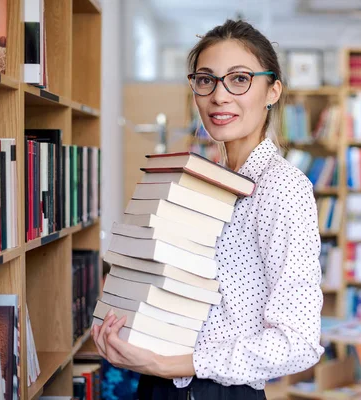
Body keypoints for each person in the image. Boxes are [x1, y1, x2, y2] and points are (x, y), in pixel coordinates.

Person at [92, 18, 325, 399]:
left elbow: (297, 341)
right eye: (206, 80)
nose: (219, 96)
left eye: (239, 79)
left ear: (273, 91)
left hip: (214, 390)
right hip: (161, 383)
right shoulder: (209, 184)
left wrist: (174, 364)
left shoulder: (282, 188)